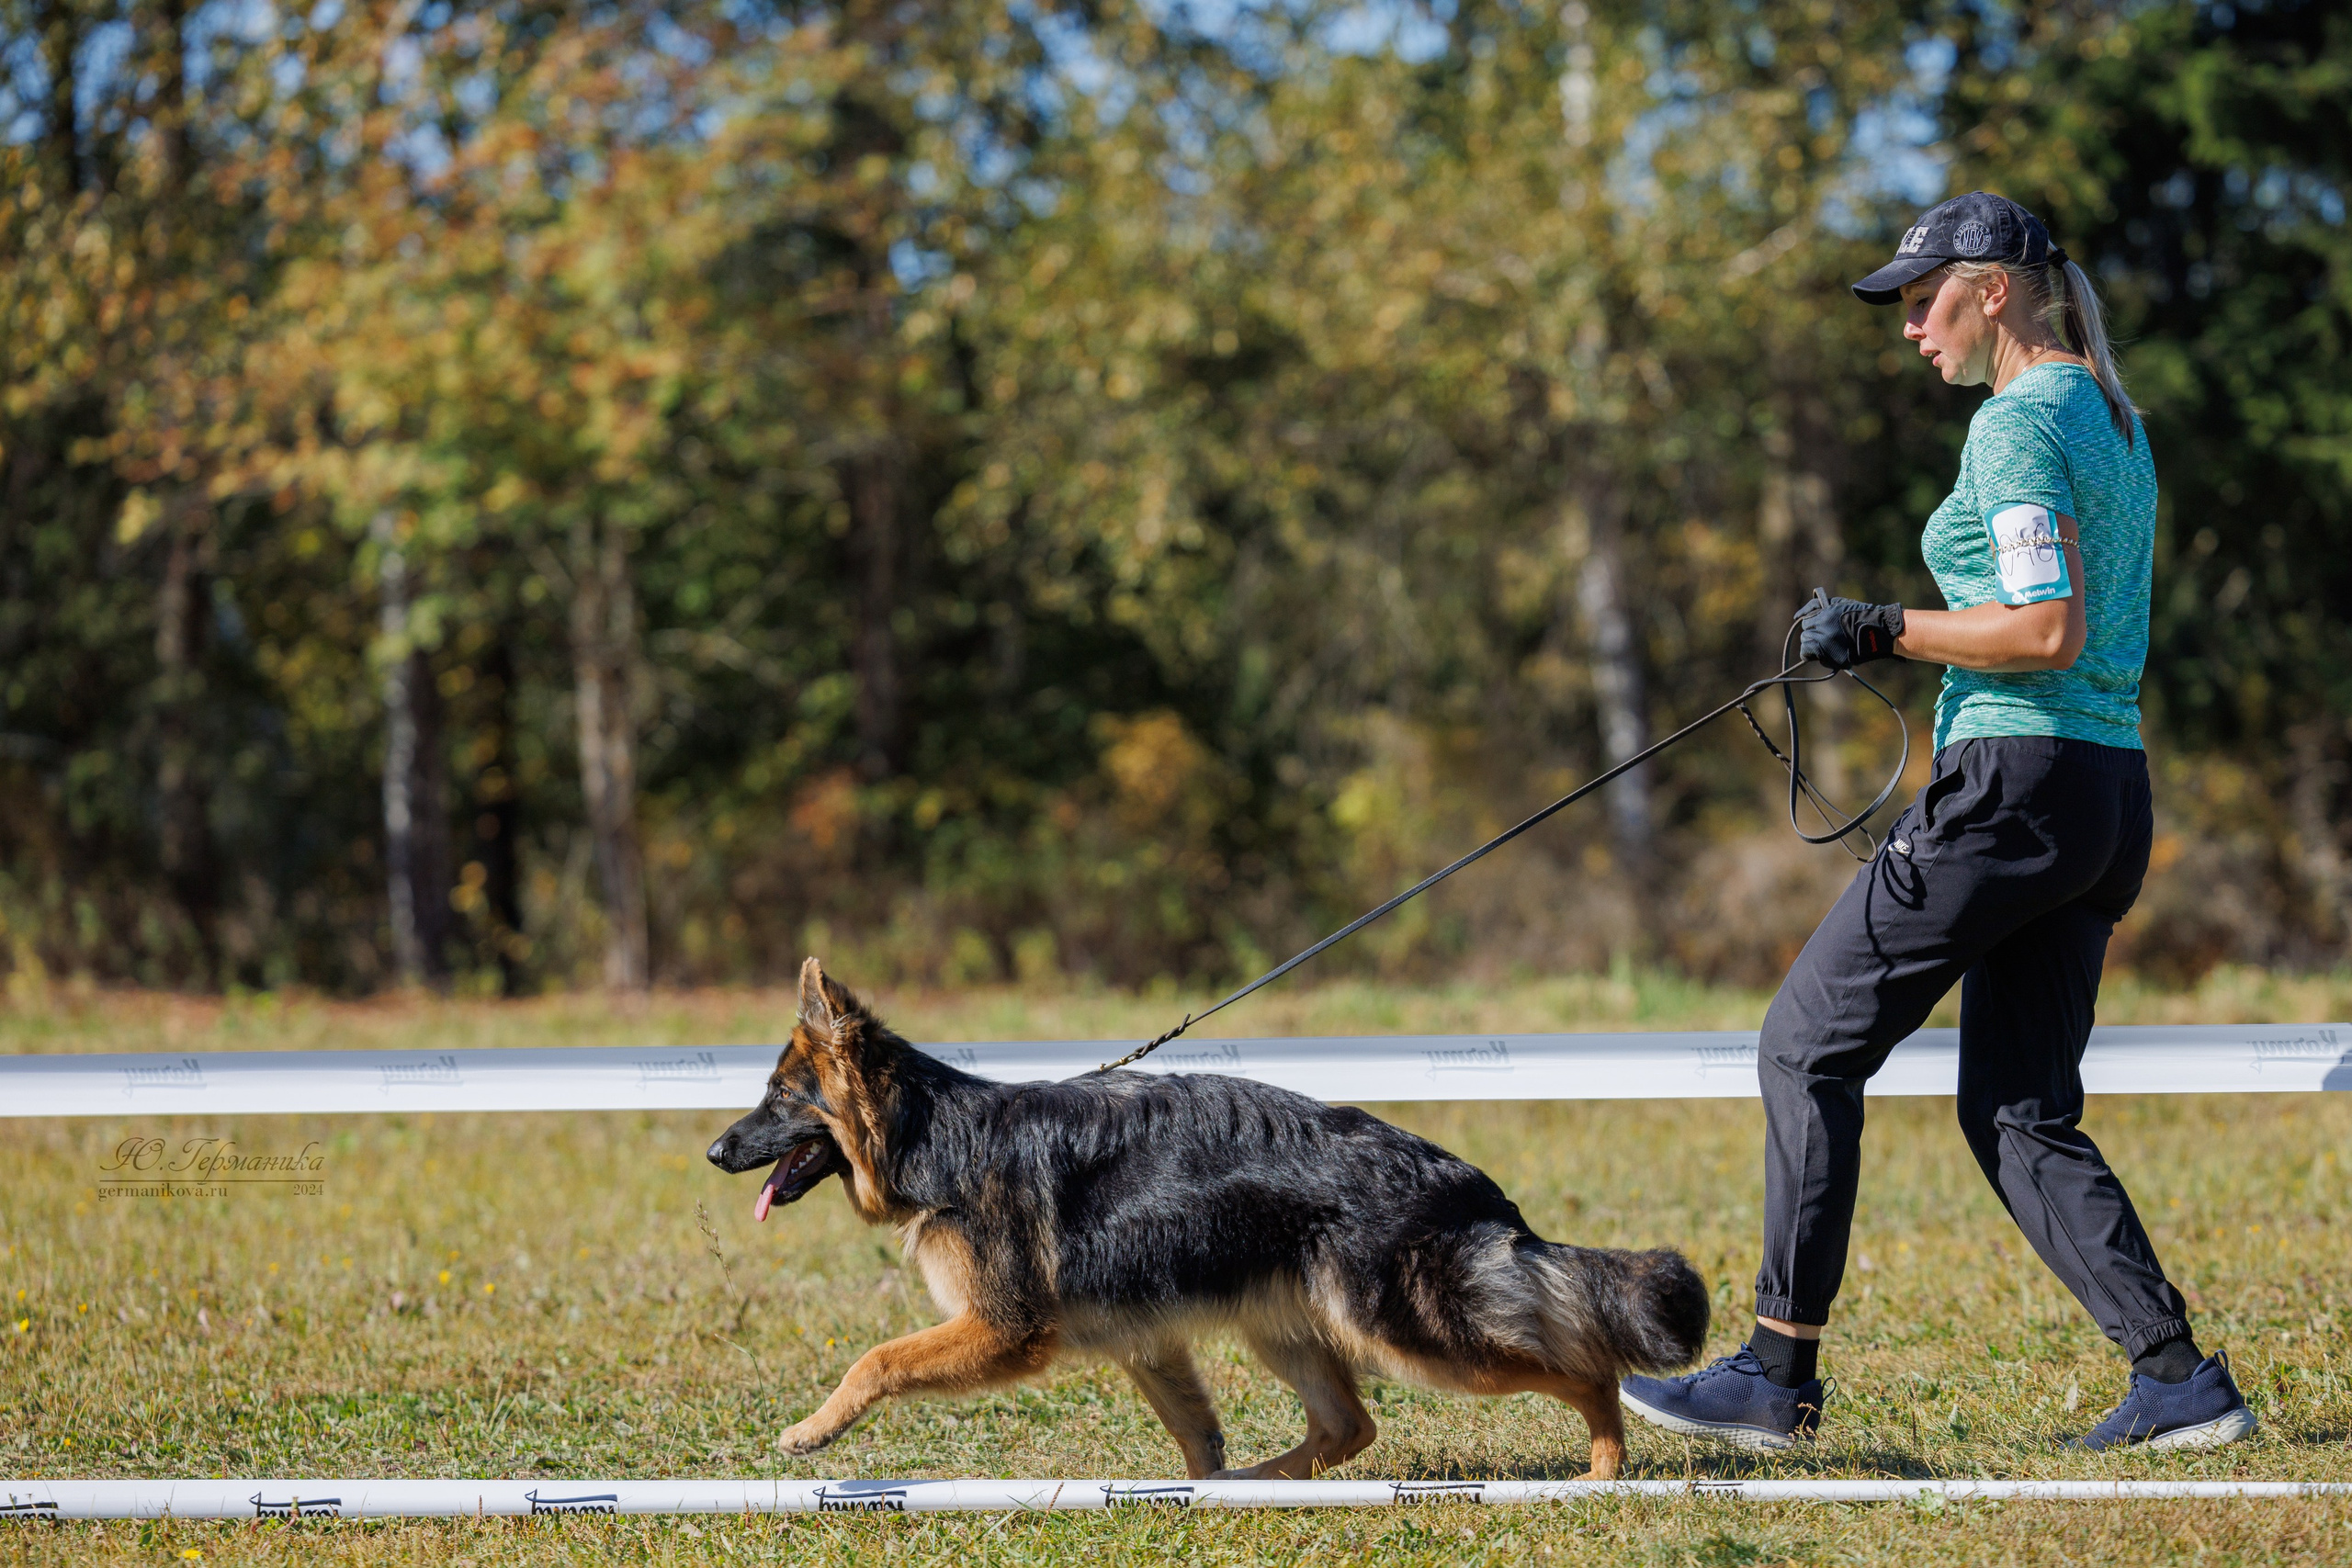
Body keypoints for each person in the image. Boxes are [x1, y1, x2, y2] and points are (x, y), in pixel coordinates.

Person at [1619, 191, 2255, 1453]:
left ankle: (1773, 1376)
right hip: (2104, 795)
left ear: (1997, 289)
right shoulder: (2110, 416)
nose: (1912, 328)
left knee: (1805, 1047)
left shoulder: (2017, 425)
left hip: (2015, 784)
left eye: (1925, 301)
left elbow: (2044, 630)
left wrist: (1882, 627)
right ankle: (2178, 1379)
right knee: (2017, 1107)